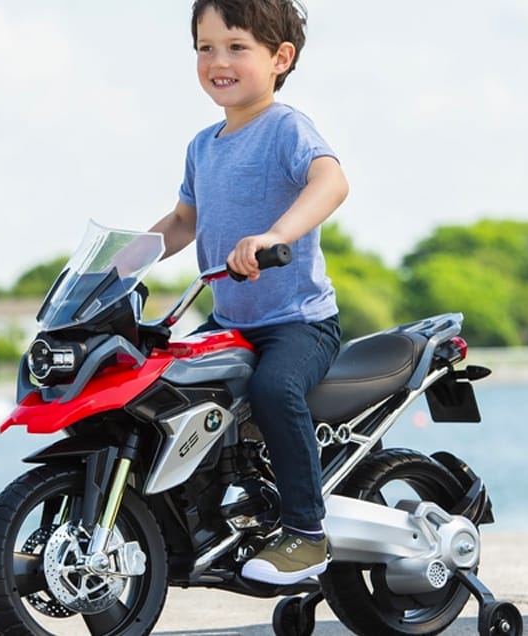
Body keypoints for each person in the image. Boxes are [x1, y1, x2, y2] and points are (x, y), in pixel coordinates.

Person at [149, 0, 348, 586]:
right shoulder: (203, 145)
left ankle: (306, 533)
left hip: (297, 322)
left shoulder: (285, 128)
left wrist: (275, 235)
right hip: (230, 321)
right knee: (164, 385)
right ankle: (195, 522)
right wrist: (119, 264)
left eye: (236, 47)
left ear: (280, 58)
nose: (218, 61)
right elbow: (183, 222)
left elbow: (331, 180)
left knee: (272, 388)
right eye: (205, 48)